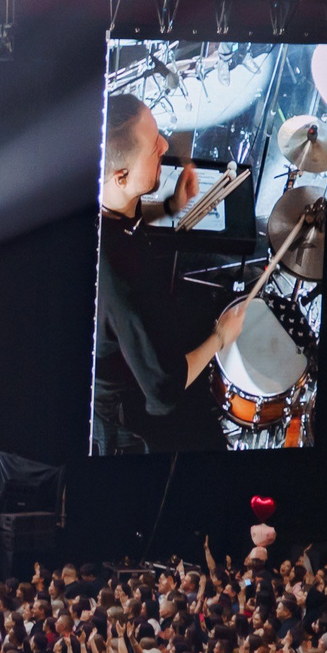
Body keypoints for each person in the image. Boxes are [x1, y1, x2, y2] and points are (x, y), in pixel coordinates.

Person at [92, 93, 246, 456]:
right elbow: (164, 390)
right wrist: (220, 337)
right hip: (131, 409)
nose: (164, 144)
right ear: (121, 176)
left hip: (143, 340)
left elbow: (128, 218)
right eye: (153, 148)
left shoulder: (107, 196)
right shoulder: (118, 279)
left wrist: (172, 206)